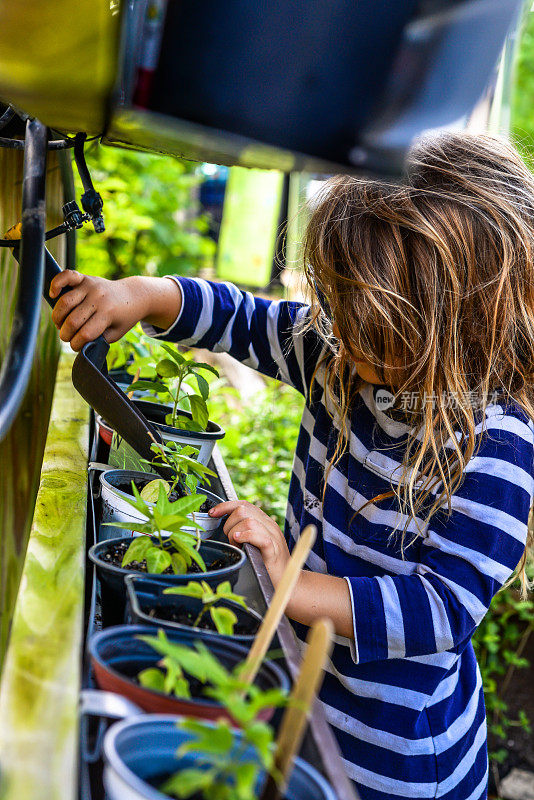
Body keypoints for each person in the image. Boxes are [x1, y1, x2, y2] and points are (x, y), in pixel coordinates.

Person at [50, 132, 534, 800]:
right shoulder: (343, 359)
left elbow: (437, 609)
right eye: (337, 309)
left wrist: (288, 580)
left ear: (451, 328)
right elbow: (244, 319)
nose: (333, 331)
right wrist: (140, 296)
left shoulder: (494, 446)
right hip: (304, 694)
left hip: (393, 759)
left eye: (364, 325)